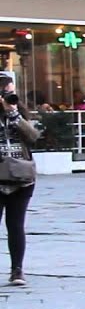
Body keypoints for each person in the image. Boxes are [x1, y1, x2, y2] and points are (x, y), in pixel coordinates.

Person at [0, 92, 40, 286]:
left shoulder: (19, 116)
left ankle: (17, 270)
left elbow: (34, 137)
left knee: (15, 225)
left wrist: (14, 115)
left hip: (21, 179)